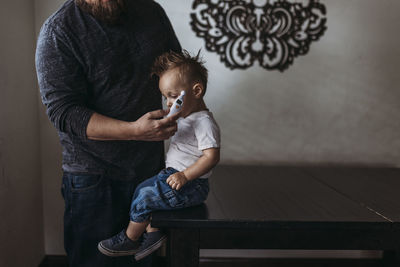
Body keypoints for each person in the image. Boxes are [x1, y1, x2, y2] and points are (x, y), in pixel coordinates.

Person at [35, 0, 181, 266]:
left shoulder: (151, 12)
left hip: (150, 174)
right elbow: (64, 113)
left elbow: (177, 69)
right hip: (92, 181)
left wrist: (185, 104)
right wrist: (135, 131)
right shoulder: (58, 31)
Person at [97, 50, 221, 261]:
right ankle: (153, 234)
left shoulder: (204, 122)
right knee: (143, 191)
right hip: (177, 177)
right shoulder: (186, 117)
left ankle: (130, 239)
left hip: (191, 184)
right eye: (165, 98)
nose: (169, 103)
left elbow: (211, 157)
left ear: (197, 90)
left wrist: (185, 176)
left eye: (173, 96)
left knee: (145, 196)